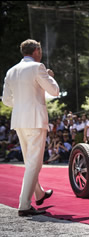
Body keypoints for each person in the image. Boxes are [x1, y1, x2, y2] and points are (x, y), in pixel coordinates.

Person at [2, 39, 59, 216]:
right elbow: (54, 91)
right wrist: (50, 75)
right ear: (35, 51)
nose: (41, 53)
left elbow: (6, 99)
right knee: (35, 163)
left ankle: (39, 193)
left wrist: (20, 104)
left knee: (30, 162)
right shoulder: (38, 67)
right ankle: (24, 205)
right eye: (40, 50)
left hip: (19, 120)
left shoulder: (11, 71)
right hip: (35, 120)